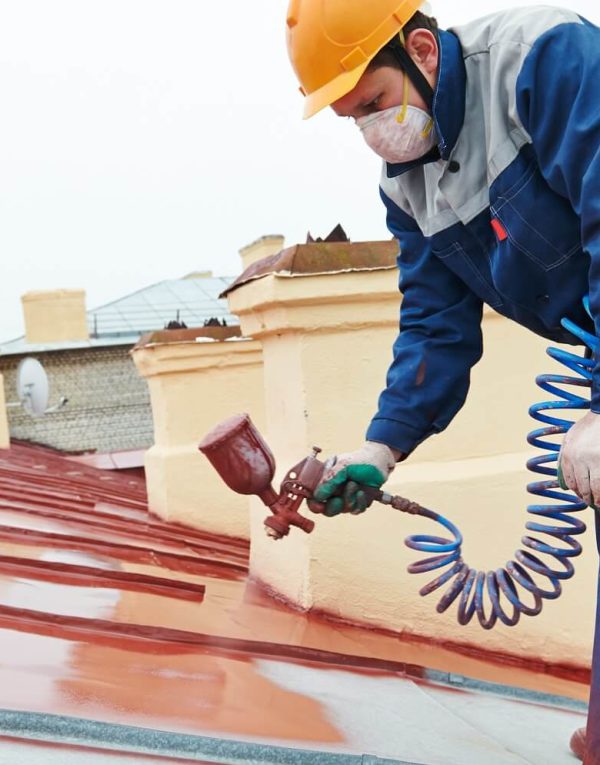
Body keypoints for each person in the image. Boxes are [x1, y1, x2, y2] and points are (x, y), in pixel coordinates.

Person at [286, 1, 600, 761]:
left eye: (374, 104)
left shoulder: (542, 63)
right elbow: (435, 328)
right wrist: (380, 450)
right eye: (352, 119)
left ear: (422, 48)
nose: (372, 134)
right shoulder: (408, 188)